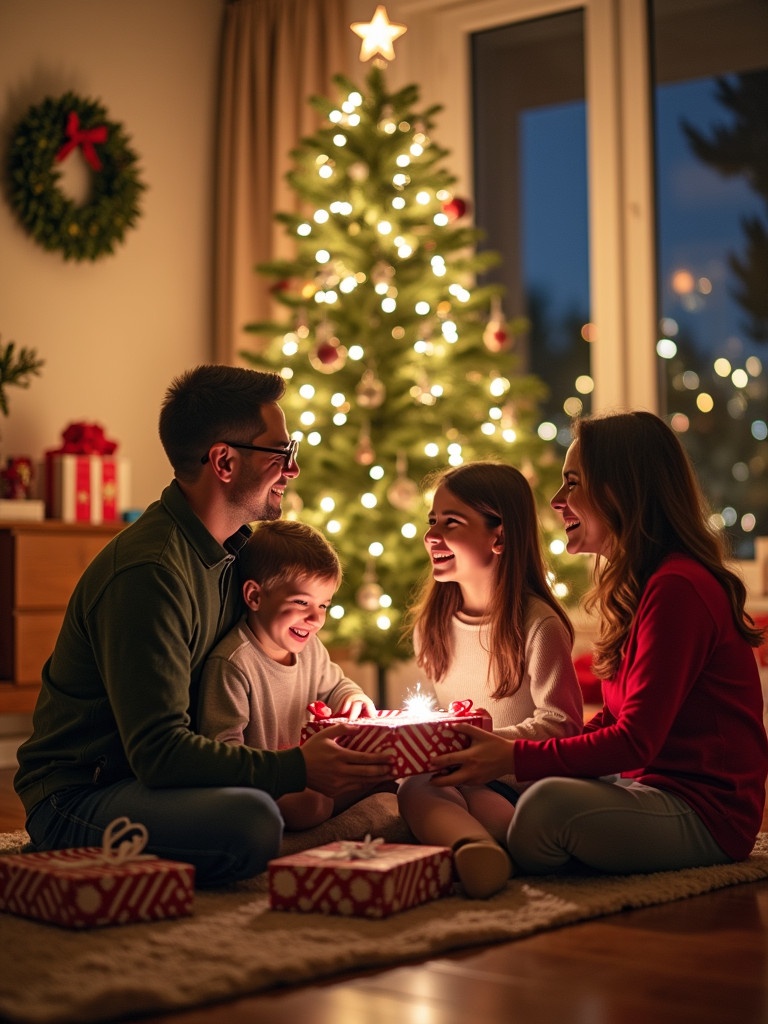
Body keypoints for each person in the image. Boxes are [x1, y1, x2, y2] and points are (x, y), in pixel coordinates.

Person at [14, 364, 393, 886]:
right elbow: (160, 754)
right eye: (282, 454)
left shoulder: (237, 556)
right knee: (250, 823)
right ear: (224, 461)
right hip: (80, 794)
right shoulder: (150, 573)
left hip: (160, 783)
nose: (293, 469)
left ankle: (322, 835)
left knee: (377, 778)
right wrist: (298, 769)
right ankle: (310, 847)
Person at [426, 412, 768, 877]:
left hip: (707, 814)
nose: (556, 500)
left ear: (620, 489)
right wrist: (502, 756)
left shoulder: (679, 587)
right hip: (645, 790)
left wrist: (511, 758)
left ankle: (503, 848)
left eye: (572, 483)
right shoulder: (643, 586)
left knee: (546, 806)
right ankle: (487, 843)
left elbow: (635, 742)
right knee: (500, 793)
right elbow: (617, 719)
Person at [397, 462, 583, 898]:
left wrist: (485, 746)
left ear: (498, 536)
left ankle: (486, 844)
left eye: (452, 522)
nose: (432, 535)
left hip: (524, 784)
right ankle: (476, 850)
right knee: (416, 786)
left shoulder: (537, 625)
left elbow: (565, 726)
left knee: (458, 796)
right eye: (432, 521)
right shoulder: (433, 627)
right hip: (466, 776)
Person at [198, 518, 385, 830]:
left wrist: (352, 697)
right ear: (255, 597)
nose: (315, 618)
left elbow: (336, 684)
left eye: (324, 605)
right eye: (302, 602)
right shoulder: (233, 664)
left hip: (310, 774)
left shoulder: (309, 649)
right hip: (264, 787)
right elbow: (222, 753)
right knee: (310, 805)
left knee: (385, 774)